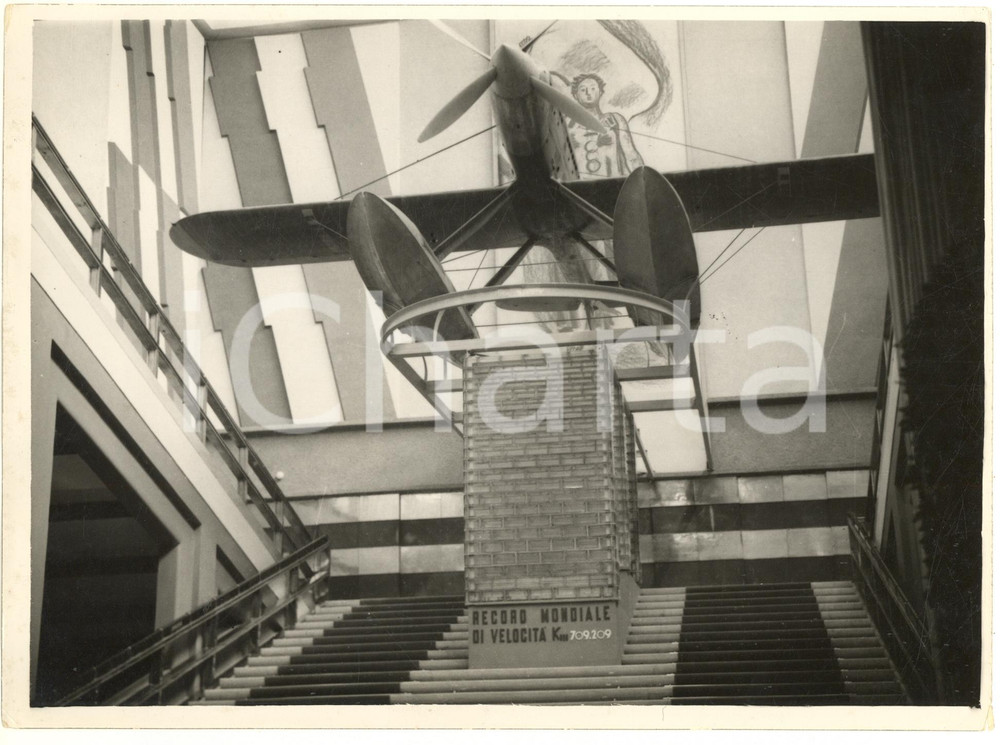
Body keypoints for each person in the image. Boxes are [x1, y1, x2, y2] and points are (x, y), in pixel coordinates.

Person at [569, 73, 644, 176]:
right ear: (575, 95)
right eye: (583, 89)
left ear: (600, 92)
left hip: (614, 184)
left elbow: (632, 156)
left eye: (593, 88)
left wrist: (644, 181)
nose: (588, 93)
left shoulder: (616, 120)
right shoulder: (568, 125)